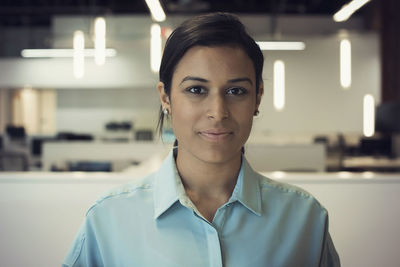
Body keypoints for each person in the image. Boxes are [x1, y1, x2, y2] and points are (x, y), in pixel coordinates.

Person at [63, 13, 340, 267]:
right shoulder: (109, 219)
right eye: (196, 89)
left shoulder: (304, 220)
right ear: (165, 98)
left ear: (258, 97)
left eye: (236, 90)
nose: (218, 112)